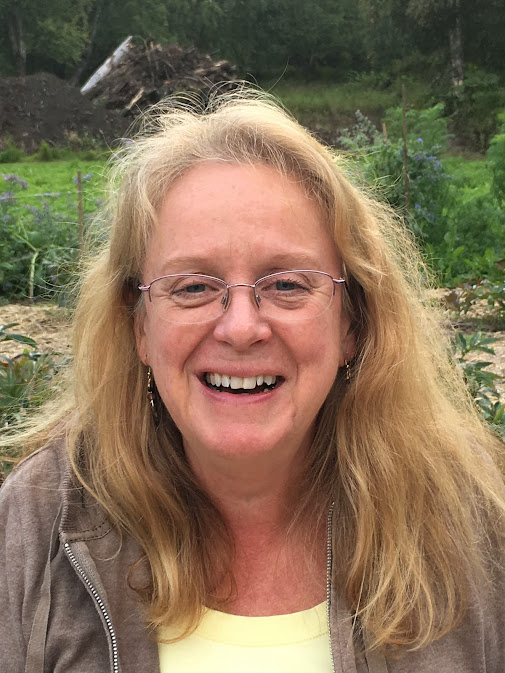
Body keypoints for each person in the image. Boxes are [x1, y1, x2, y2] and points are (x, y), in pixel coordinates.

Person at [1, 90, 505, 673]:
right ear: (138, 327)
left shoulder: (472, 514)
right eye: (192, 286)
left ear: (353, 324)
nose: (241, 327)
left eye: (288, 284)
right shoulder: (41, 523)